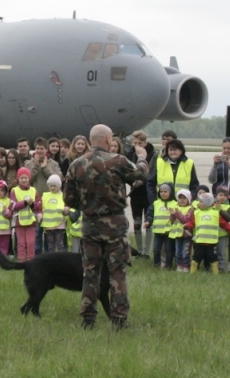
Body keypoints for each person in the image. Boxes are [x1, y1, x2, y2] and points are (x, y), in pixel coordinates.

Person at [63, 124, 148, 330]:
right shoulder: (117, 161)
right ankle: (119, 318)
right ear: (109, 140)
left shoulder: (76, 164)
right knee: (117, 272)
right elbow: (141, 175)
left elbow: (69, 199)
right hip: (115, 226)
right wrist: (142, 157)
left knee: (90, 272)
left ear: (91, 140)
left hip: (90, 225)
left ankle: (88, 317)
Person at [184, 192, 230, 274]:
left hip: (212, 242)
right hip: (199, 241)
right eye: (199, 201)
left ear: (208, 203)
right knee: (196, 257)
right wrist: (187, 226)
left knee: (213, 258)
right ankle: (192, 272)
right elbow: (192, 222)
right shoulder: (197, 212)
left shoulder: (215, 213)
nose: (199, 203)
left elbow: (223, 224)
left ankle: (216, 273)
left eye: (201, 202)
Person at [125, 130, 156, 258]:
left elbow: (153, 172)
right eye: (135, 142)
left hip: (148, 193)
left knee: (148, 223)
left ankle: (147, 252)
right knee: (137, 222)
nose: (137, 145)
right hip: (135, 193)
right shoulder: (130, 154)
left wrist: (143, 181)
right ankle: (140, 250)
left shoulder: (153, 154)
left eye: (140, 143)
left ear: (145, 143)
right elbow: (126, 172)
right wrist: (133, 182)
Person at [10, 167, 38, 261]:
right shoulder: (14, 190)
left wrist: (32, 204)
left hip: (31, 221)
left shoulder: (34, 190)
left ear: (29, 178)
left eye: (26, 177)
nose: (24, 180)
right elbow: (13, 206)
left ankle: (31, 260)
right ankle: (21, 260)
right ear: (18, 179)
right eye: (21, 178)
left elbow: (38, 206)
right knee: (21, 242)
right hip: (19, 221)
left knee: (31, 242)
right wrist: (25, 203)